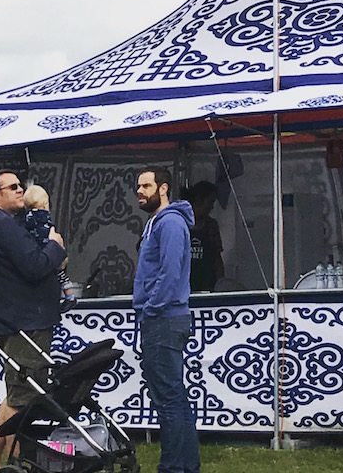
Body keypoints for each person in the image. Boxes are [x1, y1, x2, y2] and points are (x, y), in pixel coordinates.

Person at [0, 169, 66, 473]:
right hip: (23, 322)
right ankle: (2, 463)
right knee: (22, 395)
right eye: (13, 187)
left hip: (21, 320)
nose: (20, 190)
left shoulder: (4, 224)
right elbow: (35, 265)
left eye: (21, 186)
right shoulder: (2, 226)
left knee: (21, 393)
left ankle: (4, 461)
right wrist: (55, 245)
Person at [134, 167, 199, 473]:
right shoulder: (158, 223)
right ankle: (186, 466)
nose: (140, 191)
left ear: (163, 188)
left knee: (168, 400)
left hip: (163, 317)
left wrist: (151, 307)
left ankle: (172, 467)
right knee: (174, 397)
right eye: (138, 186)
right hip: (165, 316)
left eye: (146, 185)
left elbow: (170, 272)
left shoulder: (170, 223)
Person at [23, 184, 76, 306]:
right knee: (61, 275)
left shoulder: (24, 220)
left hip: (37, 252)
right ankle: (70, 296)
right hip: (50, 251)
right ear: (46, 204)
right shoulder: (45, 219)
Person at [183, 181, 224, 293]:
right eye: (210, 202)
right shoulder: (179, 223)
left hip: (206, 287)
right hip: (182, 287)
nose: (212, 207)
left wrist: (220, 283)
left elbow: (217, 258)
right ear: (199, 199)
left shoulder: (211, 225)